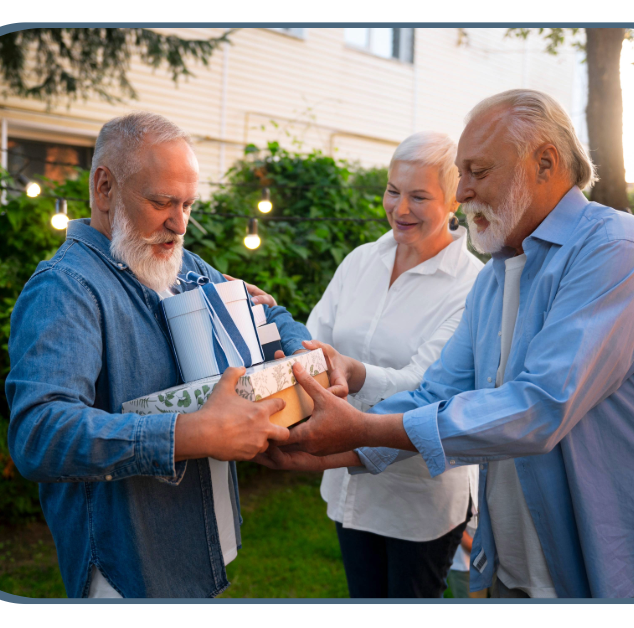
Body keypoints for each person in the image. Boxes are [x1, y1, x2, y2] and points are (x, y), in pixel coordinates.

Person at [258, 89, 634, 598]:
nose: (463, 195)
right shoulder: (495, 277)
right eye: (461, 175)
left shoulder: (614, 251)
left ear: (545, 162)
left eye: (478, 172)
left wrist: (361, 425)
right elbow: (435, 393)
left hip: (596, 578)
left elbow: (540, 407)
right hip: (510, 576)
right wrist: (315, 451)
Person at [5, 112, 342, 598]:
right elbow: (39, 434)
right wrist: (191, 433)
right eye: (161, 202)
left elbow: (269, 310)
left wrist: (305, 362)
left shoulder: (182, 264)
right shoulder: (65, 288)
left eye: (187, 204)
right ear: (104, 188)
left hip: (203, 545)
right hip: (129, 571)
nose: (179, 224)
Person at [304, 131, 484, 597]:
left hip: (418, 500)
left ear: (453, 200)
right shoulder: (362, 260)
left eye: (419, 196)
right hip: (346, 483)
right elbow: (314, 338)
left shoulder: (472, 286)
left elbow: (427, 386)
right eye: (393, 190)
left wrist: (352, 371)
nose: (400, 209)